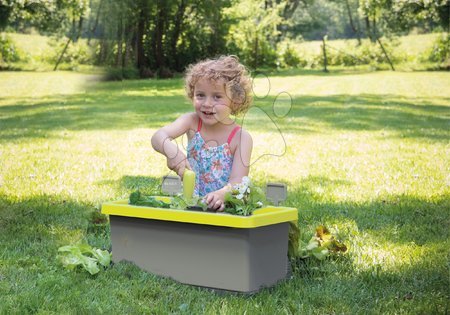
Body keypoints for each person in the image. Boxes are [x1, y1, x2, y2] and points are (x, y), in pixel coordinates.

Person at [151, 55, 253, 211]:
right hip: (190, 204)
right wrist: (172, 152)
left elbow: (238, 182)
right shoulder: (191, 122)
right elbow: (158, 137)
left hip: (223, 209)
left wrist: (222, 194)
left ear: (236, 100)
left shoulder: (241, 138)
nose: (207, 104)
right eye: (200, 95)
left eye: (217, 97)